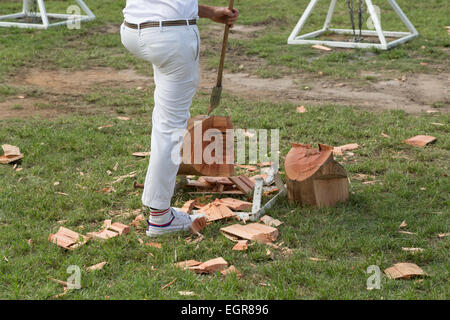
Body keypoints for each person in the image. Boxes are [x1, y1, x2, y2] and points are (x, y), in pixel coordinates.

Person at [120, 1, 239, 237]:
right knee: (170, 127)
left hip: (134, 29)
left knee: (165, 120)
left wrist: (210, 12)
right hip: (169, 36)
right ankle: (161, 218)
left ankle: (158, 201)